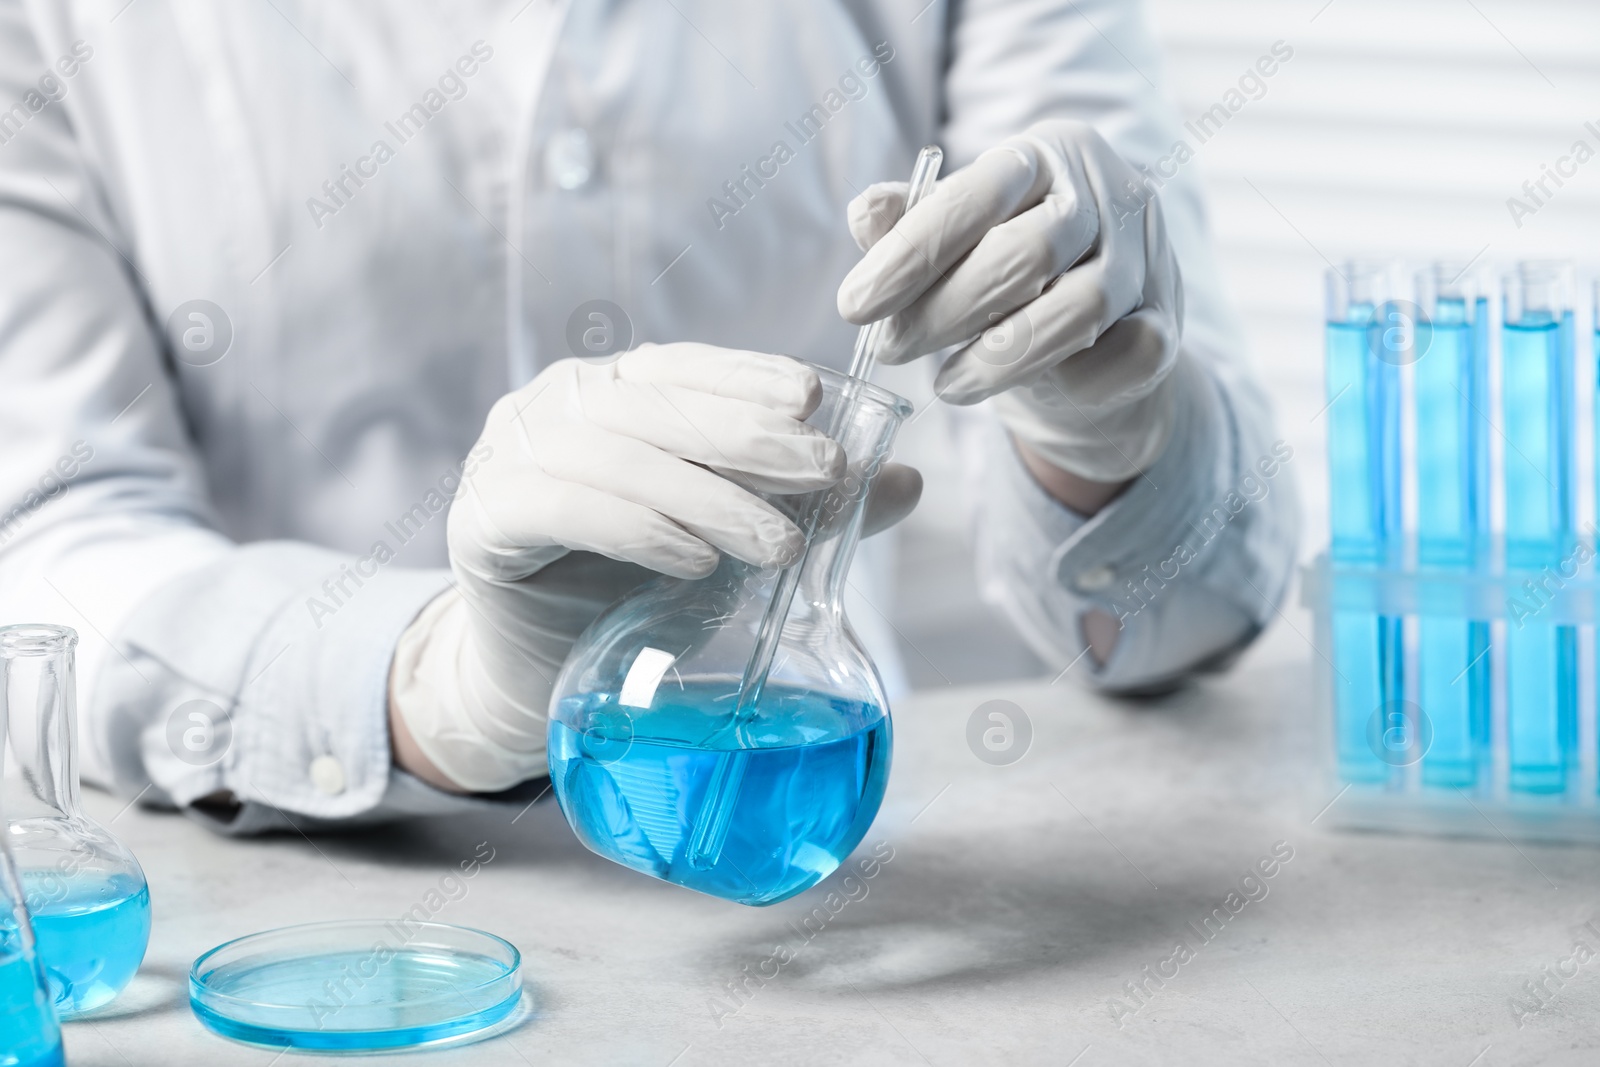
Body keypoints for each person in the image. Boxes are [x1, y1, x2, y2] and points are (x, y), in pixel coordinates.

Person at [0, 1, 1295, 831]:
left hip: (848, 905)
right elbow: (46, 536)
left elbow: (1186, 619)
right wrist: (430, 683)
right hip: (311, 909)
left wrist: (1106, 435)